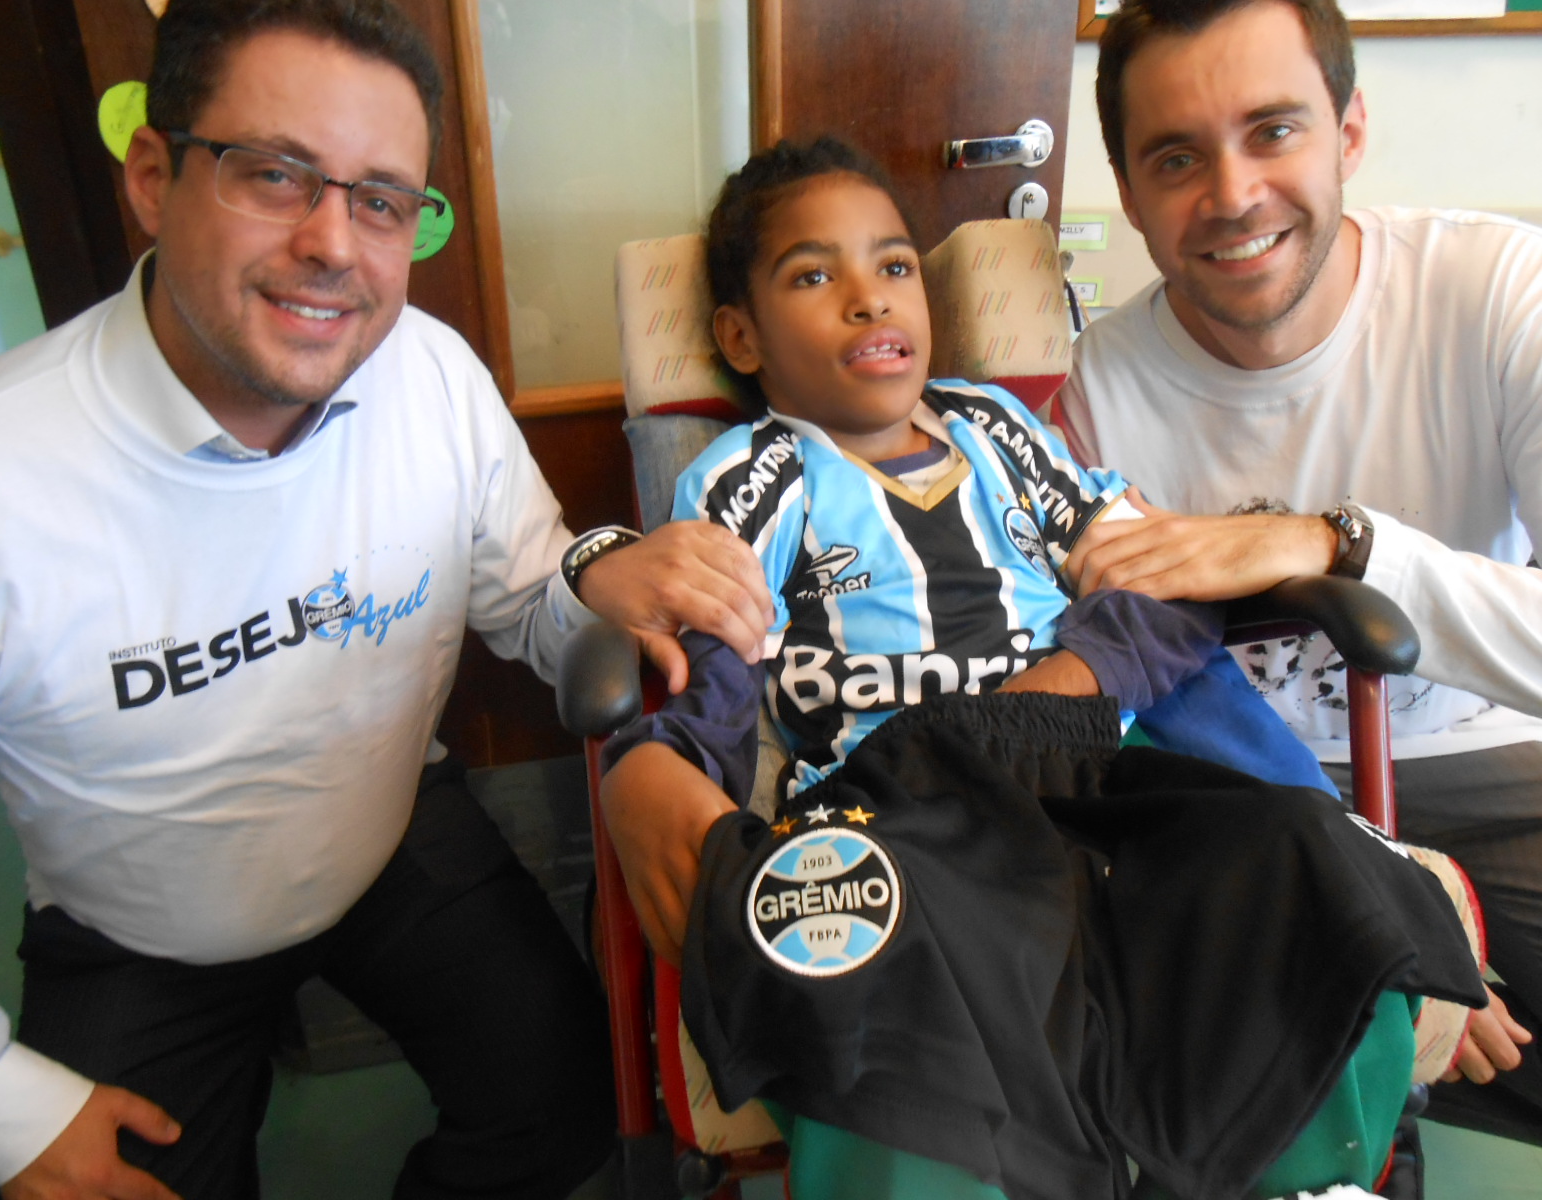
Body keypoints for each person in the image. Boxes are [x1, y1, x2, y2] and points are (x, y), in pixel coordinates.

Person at [0, 2, 775, 1198]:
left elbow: (529, 600)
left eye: (382, 200)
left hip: (385, 830)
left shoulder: (426, 372)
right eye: (276, 175)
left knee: (567, 1105)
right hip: (136, 921)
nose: (334, 242)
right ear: (151, 175)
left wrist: (598, 576)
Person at [597, 136, 1486, 1200]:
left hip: (1088, 776)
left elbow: (1148, 579)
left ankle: (1306, 1177)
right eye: (812, 276)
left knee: (1287, 854)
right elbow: (710, 657)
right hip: (904, 804)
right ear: (740, 335)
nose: (869, 302)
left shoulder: (1002, 429)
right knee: (870, 957)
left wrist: (1071, 681)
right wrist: (660, 761)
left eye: (892, 267)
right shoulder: (753, 476)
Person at [1054, 0, 1541, 1153]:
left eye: (1273, 130)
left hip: (1497, 765)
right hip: (1250, 806)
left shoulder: (1495, 287)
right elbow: (1128, 719)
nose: (1230, 195)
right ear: (1128, 193)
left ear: (1349, 133)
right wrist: (1380, 894)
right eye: (1176, 157)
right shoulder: (1095, 391)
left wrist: (1341, 542)